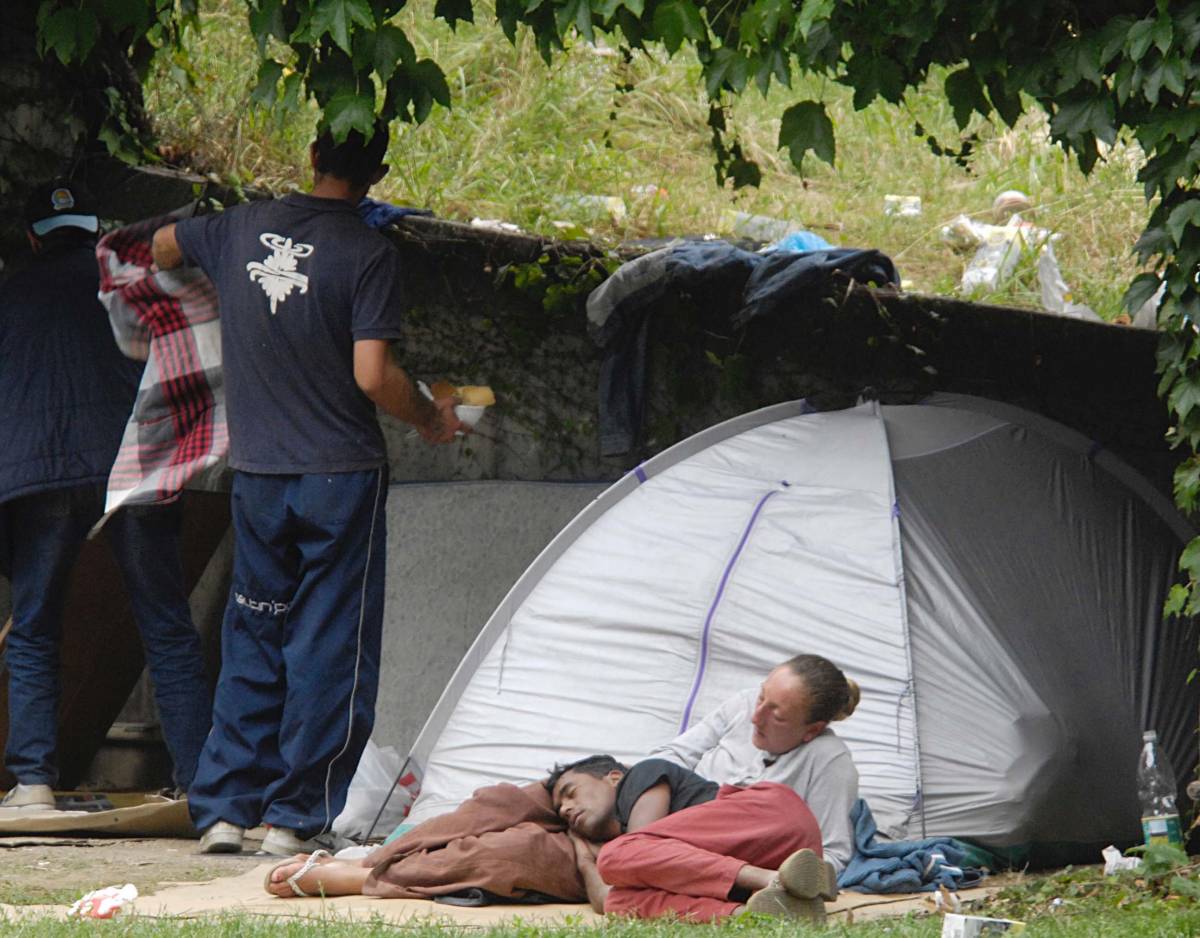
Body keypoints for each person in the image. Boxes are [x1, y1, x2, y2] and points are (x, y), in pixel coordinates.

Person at [151, 123, 465, 856]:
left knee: (255, 629)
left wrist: (221, 263)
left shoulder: (237, 227)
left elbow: (162, 247)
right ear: (377, 173)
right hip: (339, 479)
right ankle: (293, 819)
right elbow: (371, 375)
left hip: (259, 477)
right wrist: (427, 416)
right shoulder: (369, 253)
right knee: (329, 645)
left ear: (314, 156)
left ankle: (225, 809)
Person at [0, 179, 212, 811]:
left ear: (33, 239)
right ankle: (203, 790)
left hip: (42, 477)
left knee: (36, 629)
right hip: (131, 468)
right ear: (96, 232)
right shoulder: (130, 287)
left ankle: (33, 783)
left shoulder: (9, 293)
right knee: (167, 628)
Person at [547, 754, 839, 923]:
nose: (565, 808)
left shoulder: (643, 774)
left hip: (772, 817)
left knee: (617, 855)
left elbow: (637, 847)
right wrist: (583, 857)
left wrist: (605, 854)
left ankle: (772, 879)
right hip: (768, 867)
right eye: (560, 811)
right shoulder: (629, 848)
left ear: (613, 776)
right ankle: (754, 911)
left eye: (570, 793)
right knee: (621, 901)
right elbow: (605, 899)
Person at [651, 654, 860, 873]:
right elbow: (673, 755)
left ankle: (639, 854)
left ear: (812, 730)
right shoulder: (744, 705)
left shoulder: (829, 759)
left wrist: (778, 876)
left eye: (777, 716)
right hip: (673, 813)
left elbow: (833, 854)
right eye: (761, 698)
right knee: (643, 771)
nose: (756, 718)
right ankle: (641, 849)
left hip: (723, 847)